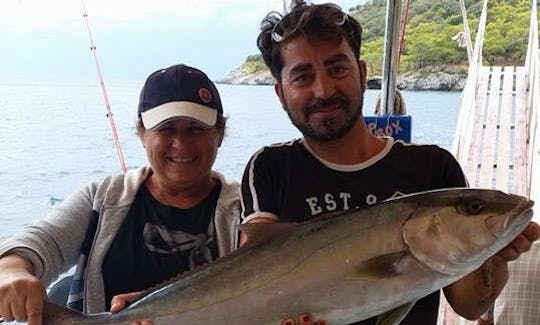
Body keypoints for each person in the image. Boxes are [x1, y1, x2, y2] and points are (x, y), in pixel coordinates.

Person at [239, 2, 540, 325]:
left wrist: (493, 257)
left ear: (363, 73)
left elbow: (469, 306)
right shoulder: (270, 167)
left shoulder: (433, 167)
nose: (323, 90)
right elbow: (247, 276)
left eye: (337, 68)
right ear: (281, 94)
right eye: (302, 77)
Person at [0, 64, 241, 325]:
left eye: (195, 128)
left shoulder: (246, 208)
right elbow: (42, 241)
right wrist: (10, 270)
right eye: (166, 128)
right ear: (142, 134)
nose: (180, 144)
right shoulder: (103, 197)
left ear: (219, 134)